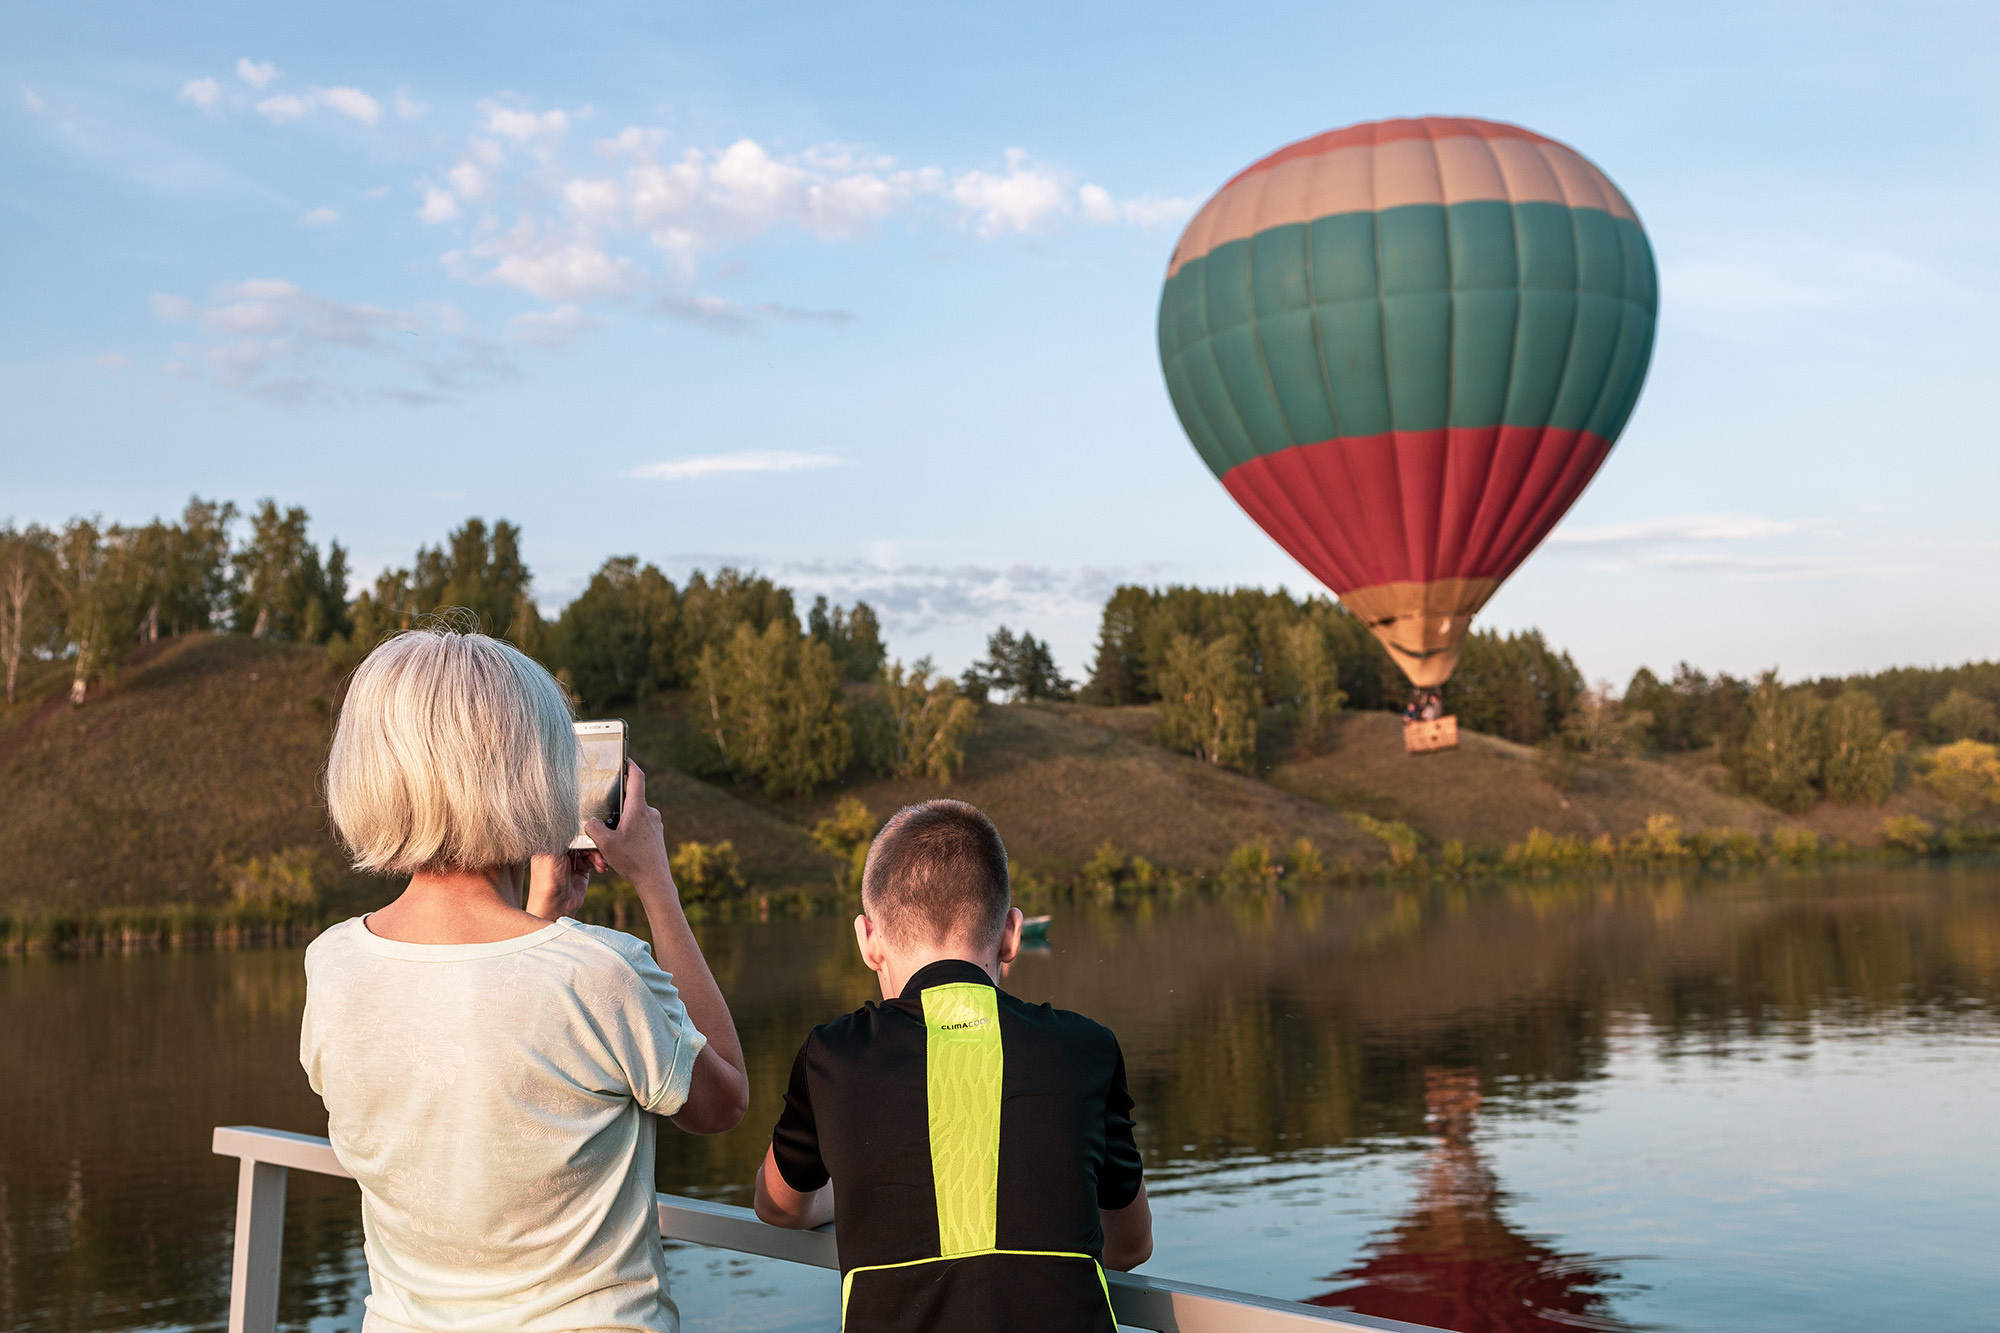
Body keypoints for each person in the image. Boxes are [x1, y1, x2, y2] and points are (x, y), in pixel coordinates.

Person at [302, 628, 749, 1333]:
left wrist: (538, 917)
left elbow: (465, 1060)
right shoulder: (598, 971)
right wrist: (654, 882)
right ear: (531, 774)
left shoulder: (332, 963)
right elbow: (722, 1099)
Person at [752, 799, 1152, 1333]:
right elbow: (1130, 1245)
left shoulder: (833, 1056)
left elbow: (778, 1207)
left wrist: (857, 1190)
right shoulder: (1087, 1049)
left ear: (868, 940)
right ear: (1012, 933)